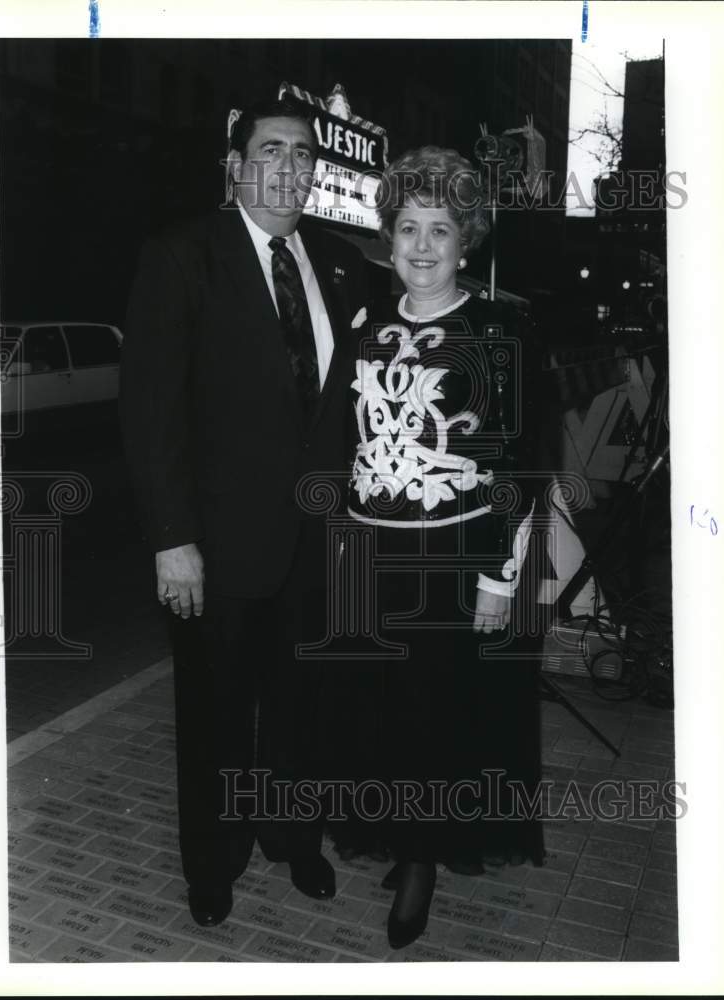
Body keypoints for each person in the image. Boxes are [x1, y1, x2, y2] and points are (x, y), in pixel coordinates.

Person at [119, 96, 369, 927]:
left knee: (303, 707)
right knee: (217, 712)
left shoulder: (338, 264)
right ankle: (214, 861)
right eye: (272, 150)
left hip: (317, 544)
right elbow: (151, 411)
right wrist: (172, 540)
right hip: (217, 547)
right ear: (235, 165)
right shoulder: (182, 255)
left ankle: (295, 840)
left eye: (304, 155)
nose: (290, 167)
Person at [325, 146, 546, 949]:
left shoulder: (496, 332)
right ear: (388, 237)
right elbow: (344, 448)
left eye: (440, 230)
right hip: (375, 555)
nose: (422, 246)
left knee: (436, 714)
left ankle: (421, 857)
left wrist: (499, 576)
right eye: (408, 228)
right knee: (382, 709)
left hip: (454, 556)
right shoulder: (364, 329)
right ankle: (405, 832)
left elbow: (516, 464)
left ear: (467, 242)